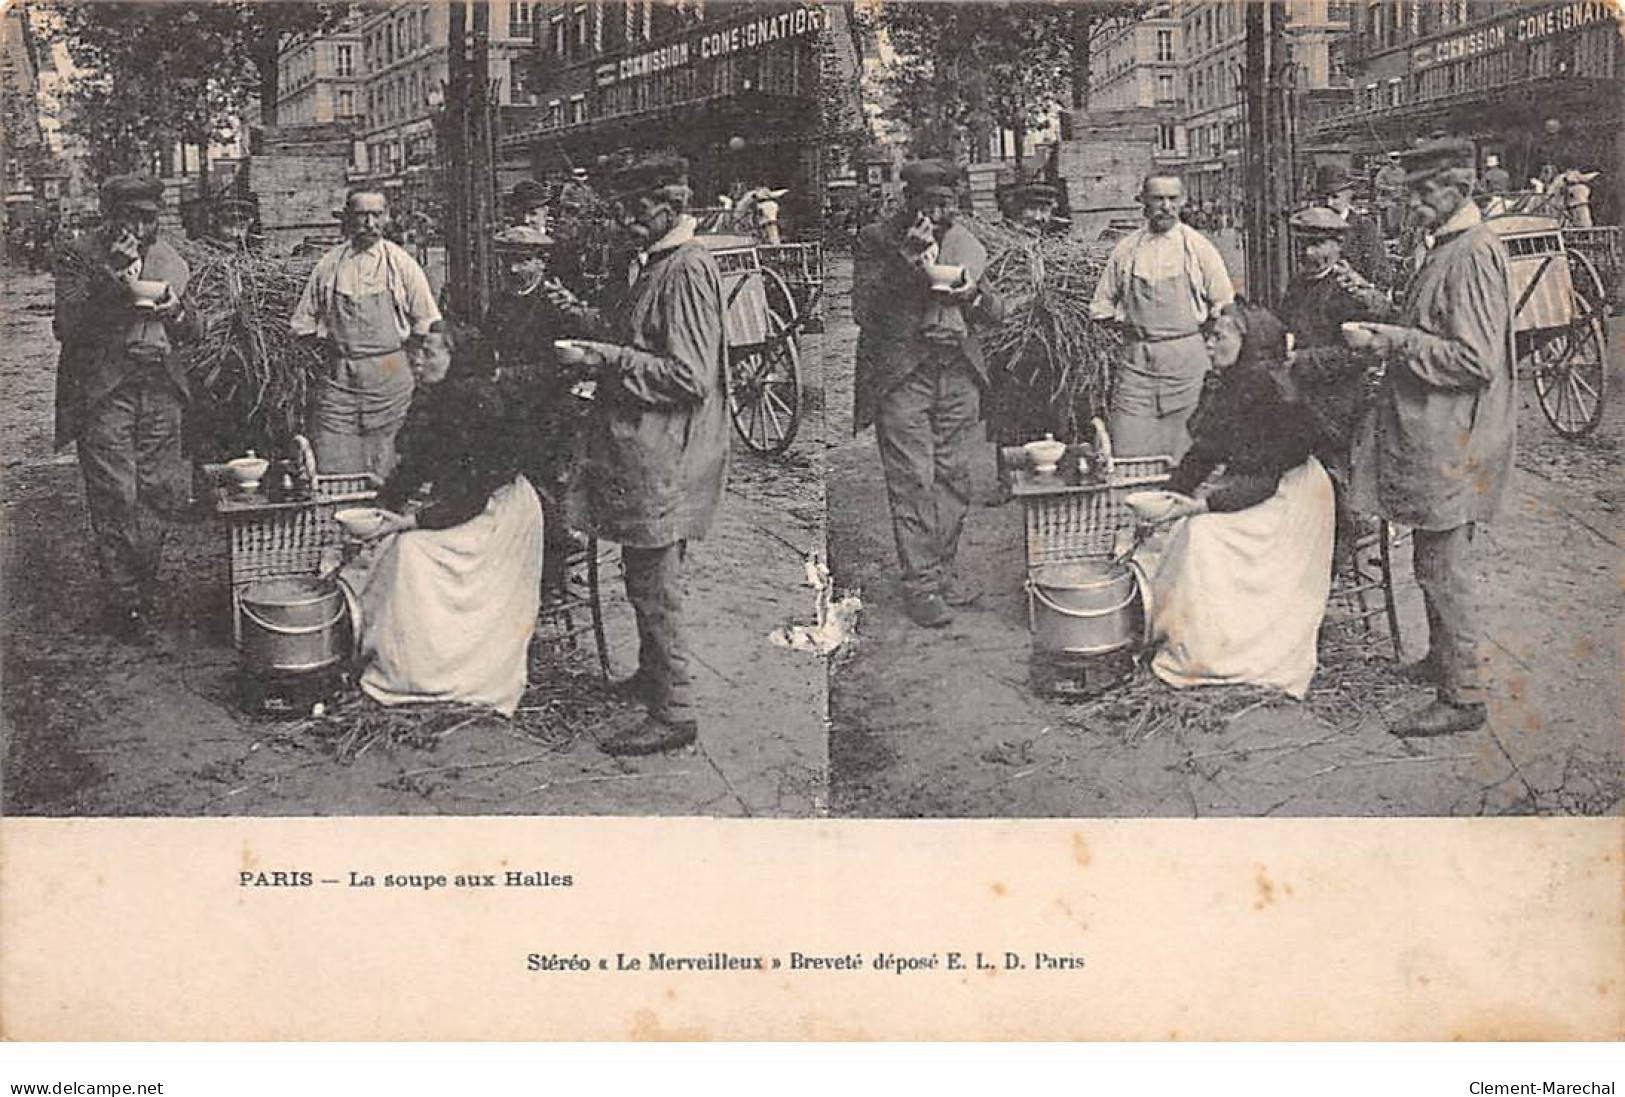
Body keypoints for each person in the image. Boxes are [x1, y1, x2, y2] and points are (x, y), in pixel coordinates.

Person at [551, 152, 728, 755]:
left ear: (670, 206)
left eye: (636, 208)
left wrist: (602, 359)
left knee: (656, 585)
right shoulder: (657, 263)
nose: (625, 219)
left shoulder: (685, 271)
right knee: (642, 573)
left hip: (668, 453)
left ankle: (676, 711)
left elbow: (689, 376)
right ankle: (654, 678)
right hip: (649, 451)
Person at [1340, 142, 1516, 738]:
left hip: (1455, 437)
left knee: (1445, 567)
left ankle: (1464, 697)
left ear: (1459, 189)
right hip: (1436, 433)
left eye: (1424, 194)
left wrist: (1392, 342)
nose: (1412, 206)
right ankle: (1444, 662)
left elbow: (1474, 359)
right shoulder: (1445, 246)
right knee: (1430, 556)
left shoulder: (1470, 254)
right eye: (1410, 193)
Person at [1130, 302, 1335, 699]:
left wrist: (1203, 506)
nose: (1209, 344)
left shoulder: (1274, 393)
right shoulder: (1230, 383)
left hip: (1293, 497)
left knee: (1204, 537)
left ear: (1249, 344)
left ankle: (1224, 649)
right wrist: (1172, 494)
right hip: (1256, 484)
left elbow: (1264, 479)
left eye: (1219, 337)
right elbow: (1205, 452)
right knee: (1185, 529)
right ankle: (1195, 635)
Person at [338, 334, 545, 718]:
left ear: (457, 356)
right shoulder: (434, 397)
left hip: (500, 514)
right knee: (394, 547)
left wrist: (412, 521)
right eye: (415, 352)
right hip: (463, 504)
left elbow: (473, 495)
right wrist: (382, 509)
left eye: (429, 352)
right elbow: (415, 466)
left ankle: (434, 668)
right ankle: (399, 653)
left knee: (413, 553)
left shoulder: (479, 402)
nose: (417, 360)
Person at [852, 158, 1006, 628]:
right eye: (931, 204)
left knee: (955, 476)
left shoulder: (968, 243)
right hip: (905, 375)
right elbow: (864, 310)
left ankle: (943, 570)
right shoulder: (877, 240)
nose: (941, 214)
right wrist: (906, 259)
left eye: (950, 204)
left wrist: (971, 296)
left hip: (957, 370)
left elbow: (995, 311)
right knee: (913, 479)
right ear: (909, 200)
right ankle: (921, 585)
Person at [52, 174, 200, 643]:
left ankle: (144, 584)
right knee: (117, 494)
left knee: (159, 491)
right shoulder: (79, 255)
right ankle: (123, 601)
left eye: (150, 218)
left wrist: (176, 312)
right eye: (132, 217)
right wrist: (116, 286)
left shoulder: (170, 259)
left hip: (160, 388)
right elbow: (67, 327)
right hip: (105, 391)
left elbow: (194, 329)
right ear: (110, 216)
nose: (141, 227)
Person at [290, 189, 444, 477]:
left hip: (389, 378)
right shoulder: (329, 265)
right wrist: (325, 362)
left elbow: (428, 322)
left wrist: (410, 366)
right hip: (339, 382)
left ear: (387, 218)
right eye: (361, 215)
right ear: (348, 219)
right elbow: (302, 324)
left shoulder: (400, 264)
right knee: (333, 463)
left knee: (388, 465)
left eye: (376, 215)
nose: (369, 223)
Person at [1278, 205, 1396, 571]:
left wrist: (1303, 360)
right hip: (1305, 392)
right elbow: (1287, 329)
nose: (1308, 254)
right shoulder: (1298, 286)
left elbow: (1359, 354)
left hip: (1342, 397)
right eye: (1302, 245)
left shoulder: (1349, 291)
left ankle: (1343, 543)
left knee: (1331, 469)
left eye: (1318, 245)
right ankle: (1309, 537)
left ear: (1337, 246)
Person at [1089, 173, 1234, 462]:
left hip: (1187, 365)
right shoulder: (1126, 250)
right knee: (1128, 450)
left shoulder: (1197, 247)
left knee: (1188, 453)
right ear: (1143, 201)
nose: (1166, 206)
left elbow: (1224, 305)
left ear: (1182, 201)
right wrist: (1129, 332)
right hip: (1137, 366)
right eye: (1157, 198)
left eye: (1172, 199)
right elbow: (1100, 307)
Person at [1315, 164, 1389, 288]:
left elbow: (1382, 279)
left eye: (1335, 197)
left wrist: (1357, 279)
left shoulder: (1363, 228)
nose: (1328, 203)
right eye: (1322, 198)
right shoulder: (1313, 229)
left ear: (1348, 195)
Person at [1375, 152, 1408, 236]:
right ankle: (1386, 233)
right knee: (1387, 216)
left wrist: (1404, 190)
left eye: (1397, 159)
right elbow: (1377, 184)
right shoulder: (1383, 171)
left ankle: (1399, 232)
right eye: (1393, 159)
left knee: (1401, 215)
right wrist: (1389, 188)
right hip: (1386, 197)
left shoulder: (1402, 171)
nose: (1395, 162)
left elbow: (1405, 183)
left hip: (1399, 197)